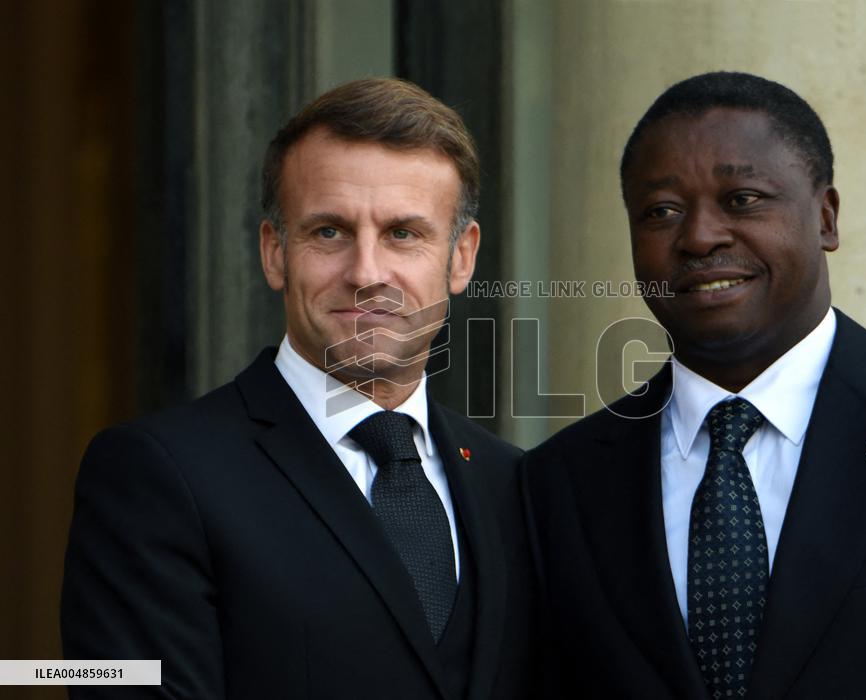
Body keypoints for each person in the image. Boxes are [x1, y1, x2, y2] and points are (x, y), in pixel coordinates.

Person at [522, 72, 866, 699]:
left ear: (825, 218)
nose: (700, 236)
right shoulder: (559, 482)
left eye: (742, 199)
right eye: (662, 211)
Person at [62, 78, 538, 699]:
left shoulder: (516, 486)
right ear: (274, 252)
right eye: (329, 232)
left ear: (461, 258)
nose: (366, 272)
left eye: (403, 233)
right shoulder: (155, 475)